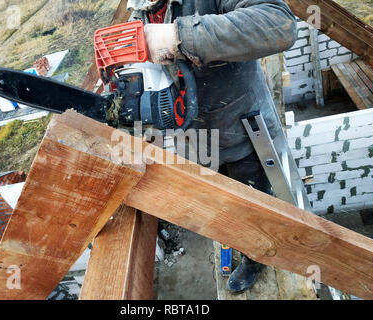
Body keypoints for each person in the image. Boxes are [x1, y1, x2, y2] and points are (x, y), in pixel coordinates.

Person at [127, 0, 297, 293]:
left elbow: (278, 24)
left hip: (242, 128)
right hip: (196, 138)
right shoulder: (140, 10)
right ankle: (242, 242)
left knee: (253, 204)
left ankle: (255, 259)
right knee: (223, 206)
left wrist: (179, 37)